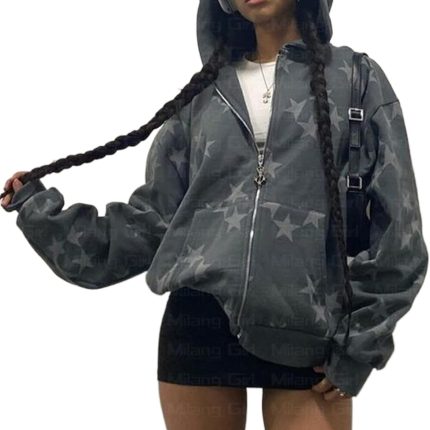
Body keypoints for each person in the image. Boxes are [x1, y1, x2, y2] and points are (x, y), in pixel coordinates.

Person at [2, 1, 428, 429]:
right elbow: (152, 223)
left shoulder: (356, 79)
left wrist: (359, 346)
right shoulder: (203, 95)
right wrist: (37, 210)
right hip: (198, 327)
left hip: (310, 334)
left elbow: (401, 235)